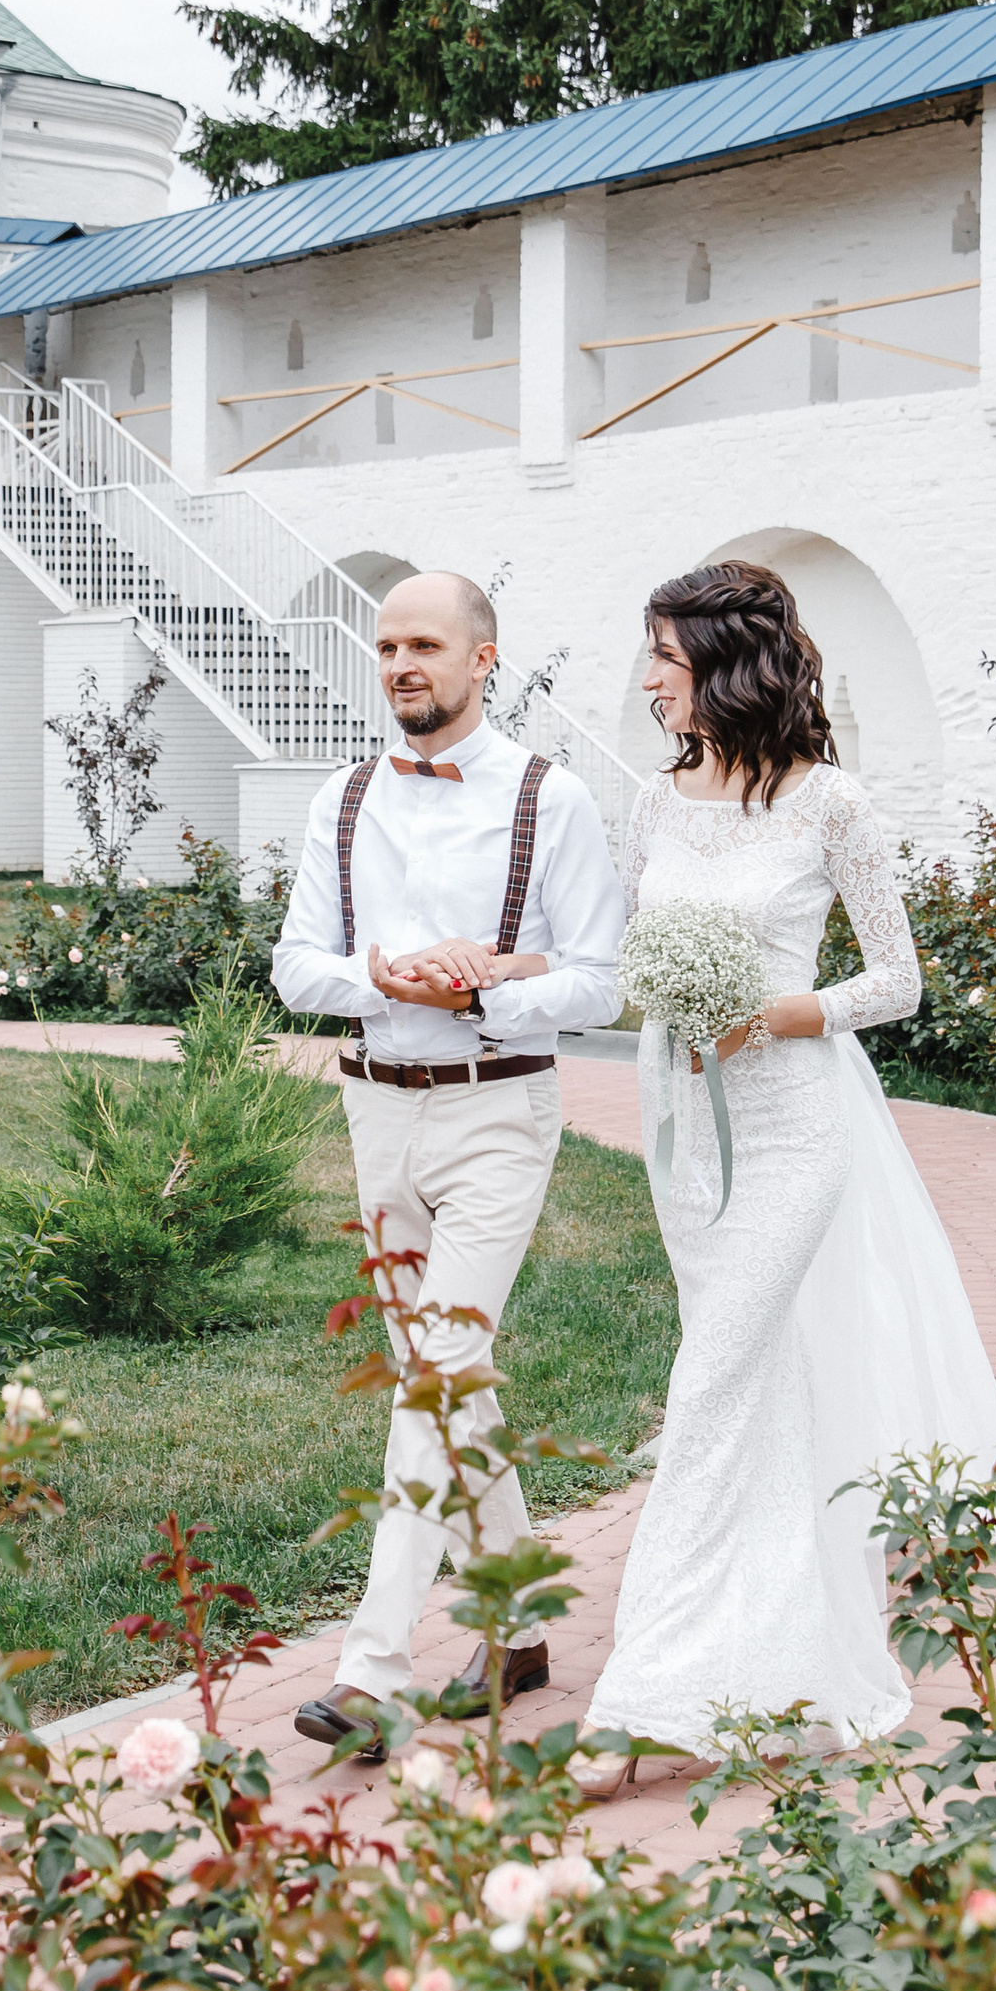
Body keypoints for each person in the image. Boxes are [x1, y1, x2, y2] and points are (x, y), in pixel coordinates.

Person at [582, 559, 996, 1785]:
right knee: (758, 1394)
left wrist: (775, 1014)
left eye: (664, 659)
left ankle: (643, 1696)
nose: (649, 681)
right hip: (682, 1134)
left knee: (708, 1386)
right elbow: (629, 957)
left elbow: (897, 981)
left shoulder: (834, 806)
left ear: (726, 664)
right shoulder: (657, 802)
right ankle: (786, 1665)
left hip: (789, 1132)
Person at [271, 571, 625, 1765]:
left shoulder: (550, 797)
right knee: (452, 1382)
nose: (400, 664)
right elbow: (296, 968)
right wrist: (390, 975)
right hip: (377, 1113)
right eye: (385, 646)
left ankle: (371, 1668)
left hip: (494, 1117)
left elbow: (598, 980)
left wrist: (485, 984)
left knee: (430, 1378)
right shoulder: (342, 797)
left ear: (483, 659)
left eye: (424, 643)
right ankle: (519, 1629)